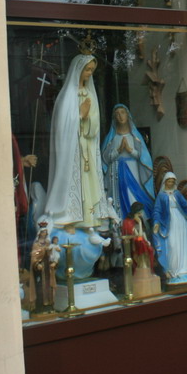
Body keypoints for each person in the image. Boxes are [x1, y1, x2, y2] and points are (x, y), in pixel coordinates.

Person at [43, 54, 116, 243]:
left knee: (88, 183)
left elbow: (95, 123)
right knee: (72, 181)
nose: (89, 73)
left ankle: (88, 220)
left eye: (92, 70)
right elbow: (62, 125)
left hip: (87, 146)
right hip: (72, 148)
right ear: (78, 70)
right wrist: (79, 114)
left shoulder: (90, 93)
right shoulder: (68, 95)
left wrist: (88, 117)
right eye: (87, 69)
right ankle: (70, 219)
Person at [102, 104, 154, 222]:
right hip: (116, 172)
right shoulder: (111, 138)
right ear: (114, 118)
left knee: (134, 195)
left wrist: (130, 150)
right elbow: (106, 159)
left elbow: (142, 157)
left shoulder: (135, 136)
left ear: (128, 115)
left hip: (133, 171)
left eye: (122, 112)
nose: (120, 116)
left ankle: (140, 221)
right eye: (117, 114)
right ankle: (120, 222)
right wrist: (119, 150)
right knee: (118, 197)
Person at [152, 171, 187, 284]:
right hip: (169, 223)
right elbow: (157, 210)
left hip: (181, 222)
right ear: (165, 182)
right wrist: (156, 222)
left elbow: (186, 207)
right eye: (169, 181)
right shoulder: (161, 196)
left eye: (172, 181)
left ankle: (184, 272)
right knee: (172, 245)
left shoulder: (177, 194)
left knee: (182, 245)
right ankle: (173, 271)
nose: (170, 183)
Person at [121, 201, 155, 274]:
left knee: (145, 243)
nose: (141, 214)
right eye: (139, 213)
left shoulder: (139, 219)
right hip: (132, 242)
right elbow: (138, 235)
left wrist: (147, 240)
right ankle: (142, 265)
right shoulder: (128, 222)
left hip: (139, 239)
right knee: (141, 243)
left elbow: (143, 233)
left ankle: (146, 266)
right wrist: (139, 223)